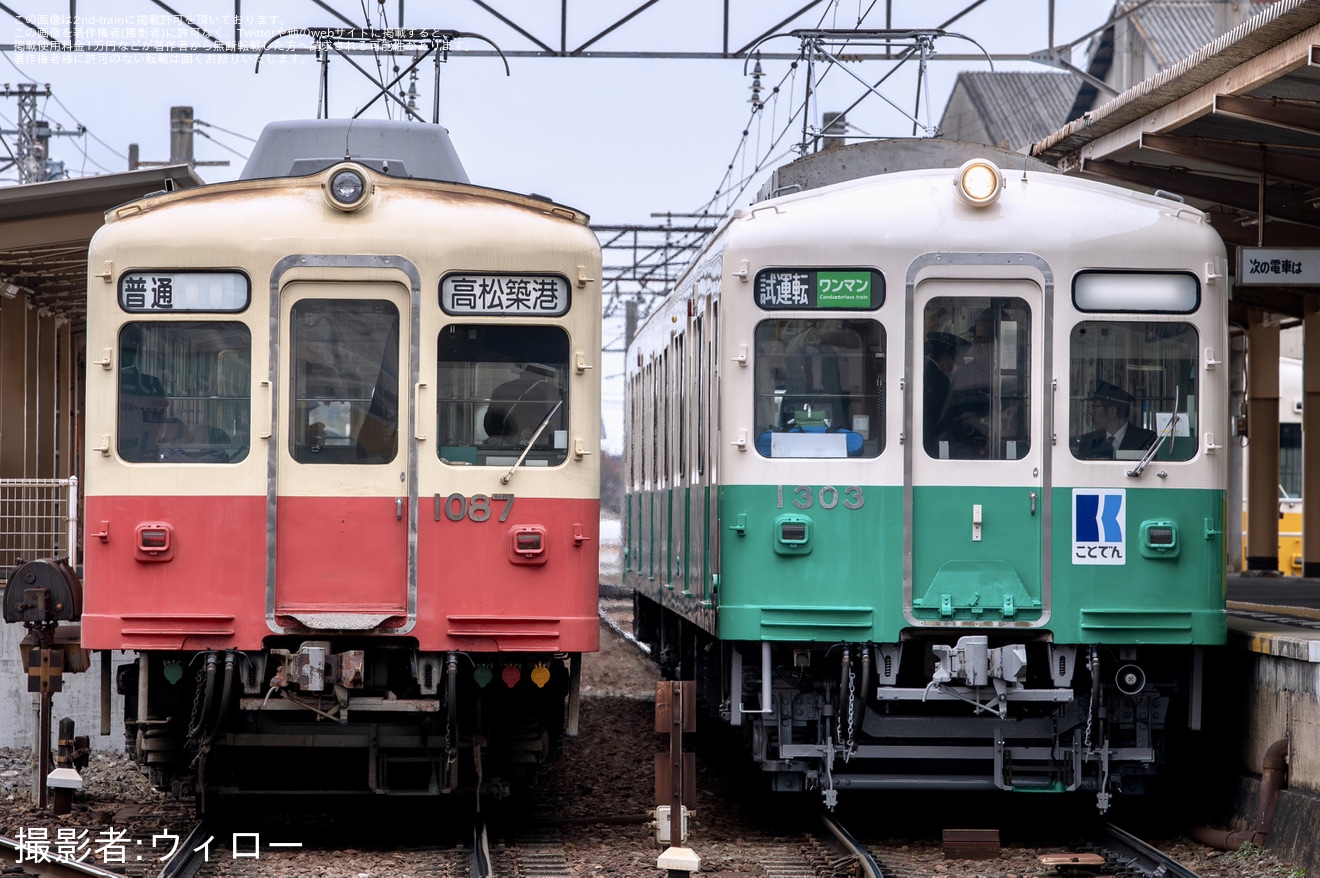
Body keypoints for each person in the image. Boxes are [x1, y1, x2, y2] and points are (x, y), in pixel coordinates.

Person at [1076, 380, 1157, 459]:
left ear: (1112, 412)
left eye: (1094, 407)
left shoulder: (1145, 440)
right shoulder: (1088, 442)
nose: (1091, 412)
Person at [484, 364, 562, 446]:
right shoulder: (555, 393)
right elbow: (559, 427)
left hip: (507, 448)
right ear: (547, 373)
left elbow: (491, 428)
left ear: (523, 370)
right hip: (545, 450)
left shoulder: (501, 389)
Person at [923, 330, 966, 456]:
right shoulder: (939, 380)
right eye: (958, 358)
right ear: (945, 356)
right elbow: (947, 414)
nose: (960, 362)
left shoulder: (930, 372)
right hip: (935, 440)